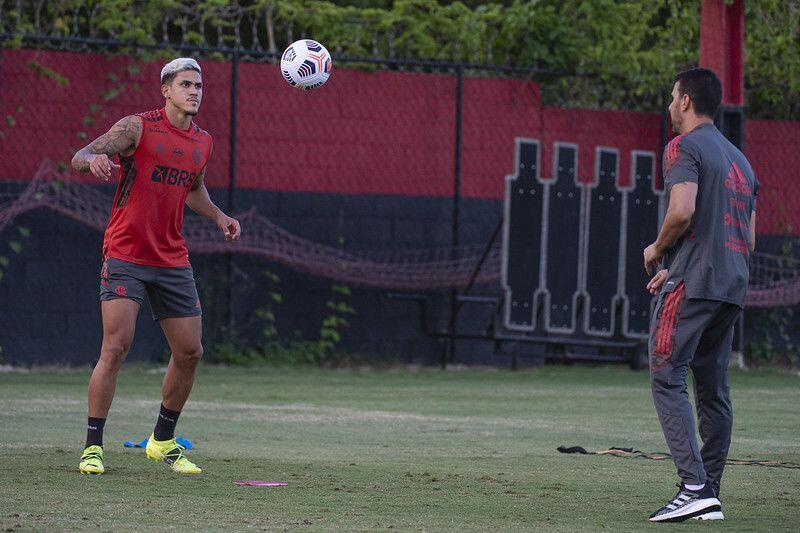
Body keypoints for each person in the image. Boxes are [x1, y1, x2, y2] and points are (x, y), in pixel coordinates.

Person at [71, 58, 241, 475]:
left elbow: (194, 188)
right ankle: (93, 447)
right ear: (166, 89)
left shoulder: (203, 142)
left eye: (199, 85)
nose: (195, 91)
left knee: (190, 351)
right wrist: (93, 160)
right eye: (186, 84)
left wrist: (219, 216)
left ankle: (162, 440)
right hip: (125, 253)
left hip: (171, 259)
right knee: (116, 348)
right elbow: (80, 155)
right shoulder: (137, 127)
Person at [643, 67, 758, 522]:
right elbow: (748, 239)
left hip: (694, 283)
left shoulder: (682, 146)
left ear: (687, 101)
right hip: (731, 285)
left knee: (666, 375)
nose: (670, 105)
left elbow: (682, 211)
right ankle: (709, 492)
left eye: (673, 97)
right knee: (713, 388)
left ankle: (693, 487)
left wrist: (658, 250)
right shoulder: (742, 162)